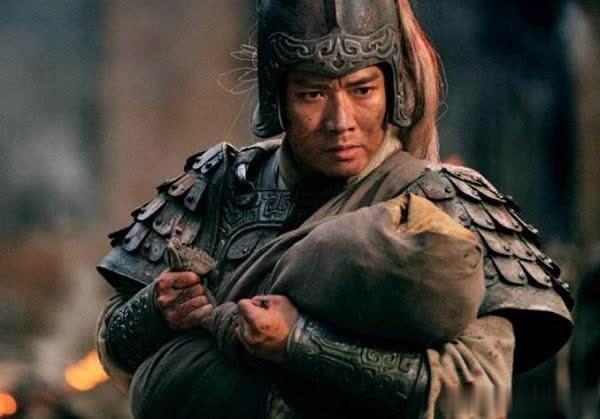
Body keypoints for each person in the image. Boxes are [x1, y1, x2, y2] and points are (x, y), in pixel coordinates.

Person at [95, 1, 573, 417]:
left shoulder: (443, 202)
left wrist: (301, 343)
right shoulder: (222, 184)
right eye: (313, 94)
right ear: (278, 96)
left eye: (362, 90)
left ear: (392, 91)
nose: (340, 121)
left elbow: (476, 397)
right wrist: (157, 309)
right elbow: (116, 345)